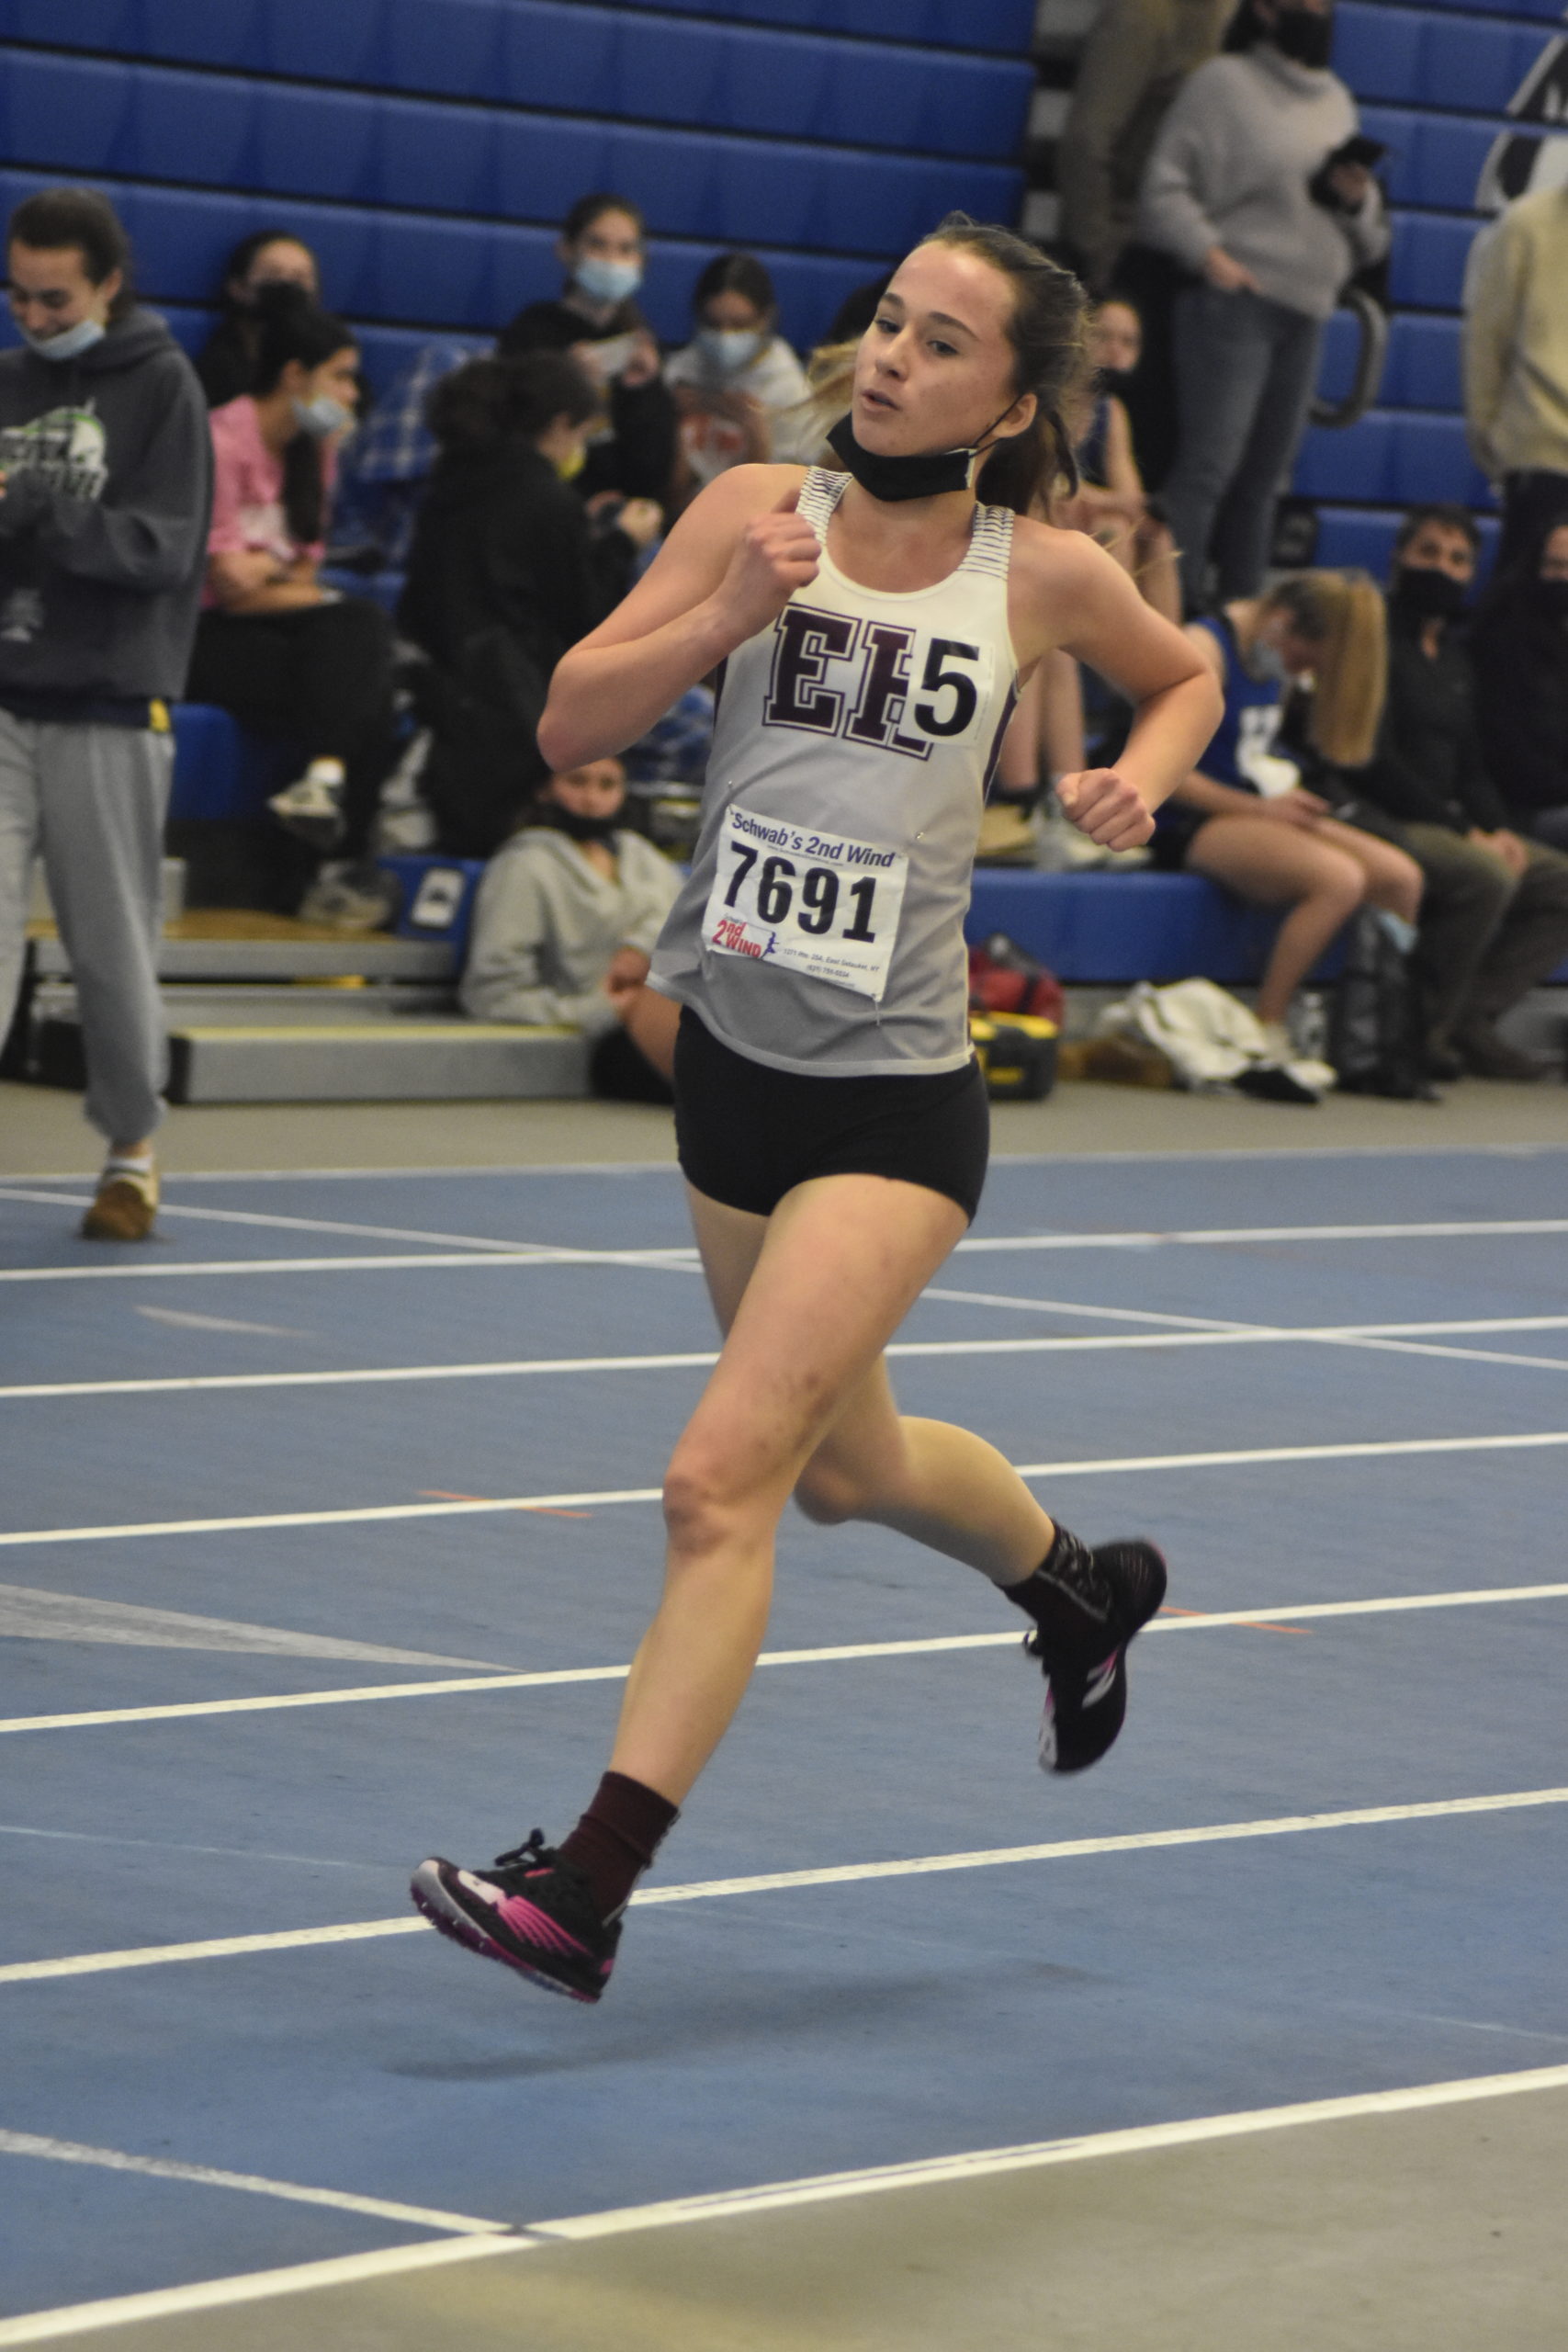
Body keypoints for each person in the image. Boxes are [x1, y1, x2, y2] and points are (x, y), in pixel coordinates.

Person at [410, 213, 1224, 2002]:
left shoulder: (1034, 571)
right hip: (731, 1074)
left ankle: (587, 1886)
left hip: (893, 1105)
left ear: (1007, 407)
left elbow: (1184, 676)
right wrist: (720, 613)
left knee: (720, 1480)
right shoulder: (749, 511)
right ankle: (1076, 1590)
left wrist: (1137, 777)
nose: (890, 357)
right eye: (886, 321)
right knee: (846, 1468)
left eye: (942, 344)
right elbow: (560, 726)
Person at [0, 187, 211, 1242]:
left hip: (111, 703)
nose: (33, 317)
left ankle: (131, 1147)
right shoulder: (5, 381)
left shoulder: (163, 384)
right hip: (6, 693)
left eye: (54, 298)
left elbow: (164, 550)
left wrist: (39, 509)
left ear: (107, 286)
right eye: (17, 295)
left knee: (108, 949)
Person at [1140, 0, 1390, 608]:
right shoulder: (1221, 83)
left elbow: (1373, 236)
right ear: (1265, 9)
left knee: (1264, 483)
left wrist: (1354, 199)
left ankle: (1241, 625)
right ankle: (1172, 619)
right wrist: (1210, 256)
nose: (1316, 9)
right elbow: (1161, 189)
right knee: (1207, 469)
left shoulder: (1335, 98)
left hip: (1307, 310)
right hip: (1234, 306)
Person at [185, 287, 400, 924]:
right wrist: (267, 575)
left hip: (270, 627)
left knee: (360, 667)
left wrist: (264, 569)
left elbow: (294, 573)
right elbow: (227, 589)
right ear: (294, 374)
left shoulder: (317, 454)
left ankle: (315, 818)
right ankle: (326, 865)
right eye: (341, 378)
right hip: (199, 632)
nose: (353, 396)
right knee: (362, 652)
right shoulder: (221, 440)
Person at [398, 352, 662, 857]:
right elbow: (586, 619)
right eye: (582, 434)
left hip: (445, 680)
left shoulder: (450, 480)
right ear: (561, 425)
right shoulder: (546, 498)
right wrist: (623, 544)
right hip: (515, 693)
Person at [1156, 571, 1423, 1058]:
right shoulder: (1207, 649)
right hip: (1186, 817)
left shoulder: (1274, 659)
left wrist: (1281, 791)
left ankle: (1370, 1036)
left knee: (1400, 877)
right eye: (1302, 659)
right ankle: (1269, 1024)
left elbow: (1255, 752)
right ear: (1282, 623)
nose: (1300, 673)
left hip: (1250, 805)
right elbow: (1165, 773)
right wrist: (1260, 807)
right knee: (1339, 879)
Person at [1351, 504, 1568, 1082]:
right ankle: (1421, 1033)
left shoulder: (1454, 655)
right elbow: (1372, 759)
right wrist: (1462, 828)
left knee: (1556, 882)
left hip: (1449, 819)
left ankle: (1474, 1018)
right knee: (1484, 874)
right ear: (1399, 556)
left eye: (1457, 559)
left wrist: (1494, 826)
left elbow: (1472, 763)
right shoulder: (1370, 637)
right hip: (1382, 814)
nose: (1441, 569)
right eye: (1428, 552)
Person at [460, 755, 681, 1099]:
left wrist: (641, 949)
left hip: (670, 1008)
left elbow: (694, 933)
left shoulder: (646, 859)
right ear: (545, 790)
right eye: (577, 782)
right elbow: (491, 994)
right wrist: (602, 1009)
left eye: (607, 785)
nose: (593, 800)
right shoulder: (524, 866)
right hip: (606, 1036)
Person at [498, 193, 677, 509]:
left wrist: (641, 393)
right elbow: (509, 443)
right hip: (540, 507)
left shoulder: (642, 348)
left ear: (641, 261)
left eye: (625, 249)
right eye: (597, 244)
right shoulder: (533, 332)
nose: (611, 259)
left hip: (618, 518)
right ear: (566, 250)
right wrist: (564, 387)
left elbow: (651, 476)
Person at [1057, 0, 1233, 295]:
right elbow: (1085, 142)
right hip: (1129, 254)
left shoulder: (1241, 18)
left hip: (1195, 254)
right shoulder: (1144, 15)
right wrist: (1099, 253)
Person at [1462, 186, 1568, 577]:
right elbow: (1487, 343)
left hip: (1535, 456)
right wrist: (1496, 442)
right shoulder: (1526, 225)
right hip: (1541, 463)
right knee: (1518, 627)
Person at [663, 252, 816, 510]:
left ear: (766, 319)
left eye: (740, 324)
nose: (725, 336)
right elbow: (663, 491)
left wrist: (758, 443)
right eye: (713, 324)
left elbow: (794, 503)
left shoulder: (791, 393)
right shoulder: (678, 372)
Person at [1063, 296, 1180, 624]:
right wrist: (1107, 502)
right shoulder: (1049, 399)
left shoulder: (1110, 411)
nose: (1116, 350)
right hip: (1036, 513)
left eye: (1128, 342)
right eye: (1104, 336)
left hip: (1080, 512)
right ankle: (1111, 657)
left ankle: (1169, 662)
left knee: (1156, 535)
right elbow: (1049, 486)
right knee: (1114, 531)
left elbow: (1131, 498)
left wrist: (1103, 500)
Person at [1472, 511, 1568, 857]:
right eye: (1555, 566)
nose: (1563, 579)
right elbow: (1507, 754)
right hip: (1524, 807)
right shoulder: (1504, 637)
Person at [193, 230, 321, 409]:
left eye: (299, 278)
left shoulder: (329, 369)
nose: (286, 287)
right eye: (273, 275)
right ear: (237, 288)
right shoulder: (212, 374)